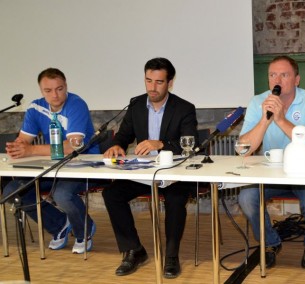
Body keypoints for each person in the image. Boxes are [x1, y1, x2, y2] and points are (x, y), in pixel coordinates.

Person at [101, 57, 198, 279]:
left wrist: (161, 144)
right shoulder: (135, 105)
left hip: (173, 173)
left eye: (159, 82)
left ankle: (171, 256)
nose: (152, 88)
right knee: (112, 194)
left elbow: (190, 145)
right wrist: (116, 145)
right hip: (143, 173)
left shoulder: (184, 108)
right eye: (148, 81)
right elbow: (124, 136)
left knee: (175, 200)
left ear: (170, 83)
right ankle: (134, 250)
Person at [237, 55, 305, 269]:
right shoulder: (258, 102)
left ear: (296, 80)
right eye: (272, 75)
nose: (277, 80)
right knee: (247, 198)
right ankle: (270, 243)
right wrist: (265, 119)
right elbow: (243, 149)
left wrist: (280, 120)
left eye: (284, 75)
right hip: (272, 172)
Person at [3, 68, 99, 254]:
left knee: (62, 194)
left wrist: (30, 150)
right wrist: (17, 148)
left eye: (59, 89)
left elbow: (72, 147)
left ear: (66, 87)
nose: (55, 95)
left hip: (84, 165)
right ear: (41, 91)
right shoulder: (35, 107)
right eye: (48, 91)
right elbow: (23, 140)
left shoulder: (76, 104)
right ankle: (59, 224)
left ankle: (84, 231)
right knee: (12, 190)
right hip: (53, 166)